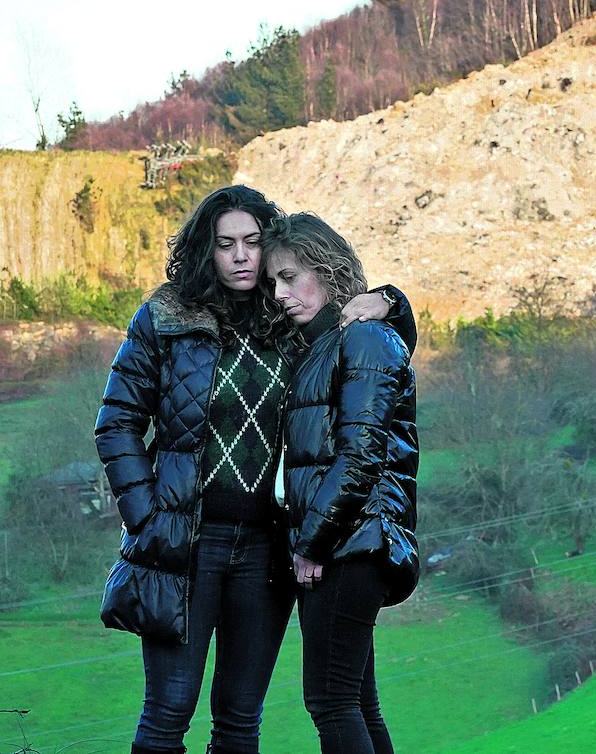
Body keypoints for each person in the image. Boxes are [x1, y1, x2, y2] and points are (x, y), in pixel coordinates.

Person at [95, 185, 412, 754]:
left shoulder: (288, 317)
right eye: (224, 244)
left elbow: (373, 356)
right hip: (186, 544)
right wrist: (148, 518)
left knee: (240, 721)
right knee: (167, 715)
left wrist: (391, 299)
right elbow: (116, 423)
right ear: (205, 250)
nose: (240, 256)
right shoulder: (166, 317)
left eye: (252, 242)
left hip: (267, 550)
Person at [261, 213, 419, 754]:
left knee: (330, 701)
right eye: (272, 282)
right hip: (346, 542)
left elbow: (362, 453)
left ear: (327, 269)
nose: (280, 293)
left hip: (350, 544)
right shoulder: (322, 346)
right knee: (354, 701)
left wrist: (312, 543)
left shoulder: (365, 338)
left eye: (289, 276)